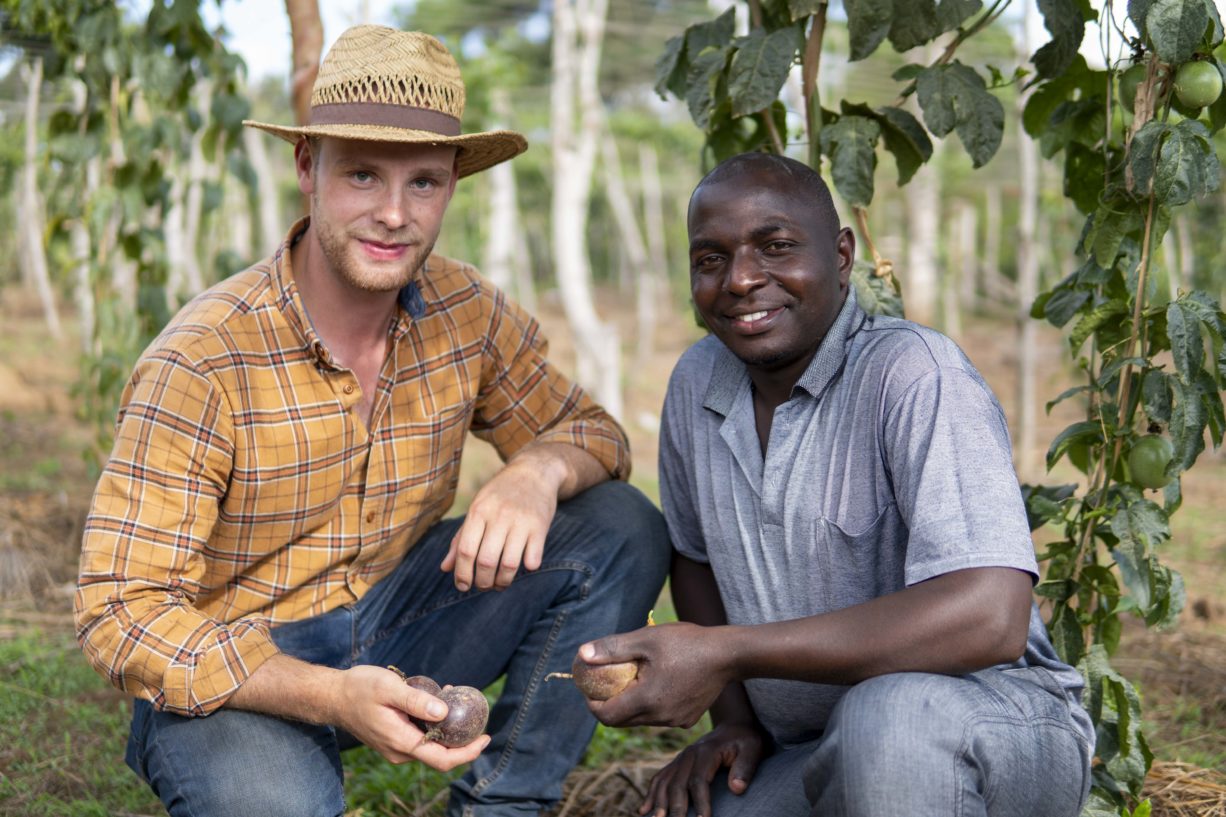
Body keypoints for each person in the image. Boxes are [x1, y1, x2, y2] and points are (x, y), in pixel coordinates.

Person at [74, 25, 669, 817]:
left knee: (618, 525)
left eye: (423, 182)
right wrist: (330, 696)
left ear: (452, 184)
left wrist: (538, 470)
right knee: (272, 803)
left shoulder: (466, 310)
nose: (394, 213)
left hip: (401, 613)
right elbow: (121, 610)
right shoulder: (204, 359)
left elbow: (593, 431)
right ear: (307, 169)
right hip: (240, 663)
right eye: (362, 174)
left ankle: (504, 803)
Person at [579, 152, 1095, 817]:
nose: (739, 280)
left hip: (992, 725)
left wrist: (727, 652)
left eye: (776, 246)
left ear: (843, 255)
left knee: (889, 719)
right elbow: (696, 559)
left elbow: (991, 615)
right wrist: (734, 719)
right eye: (710, 260)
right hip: (814, 746)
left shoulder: (913, 374)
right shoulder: (696, 383)